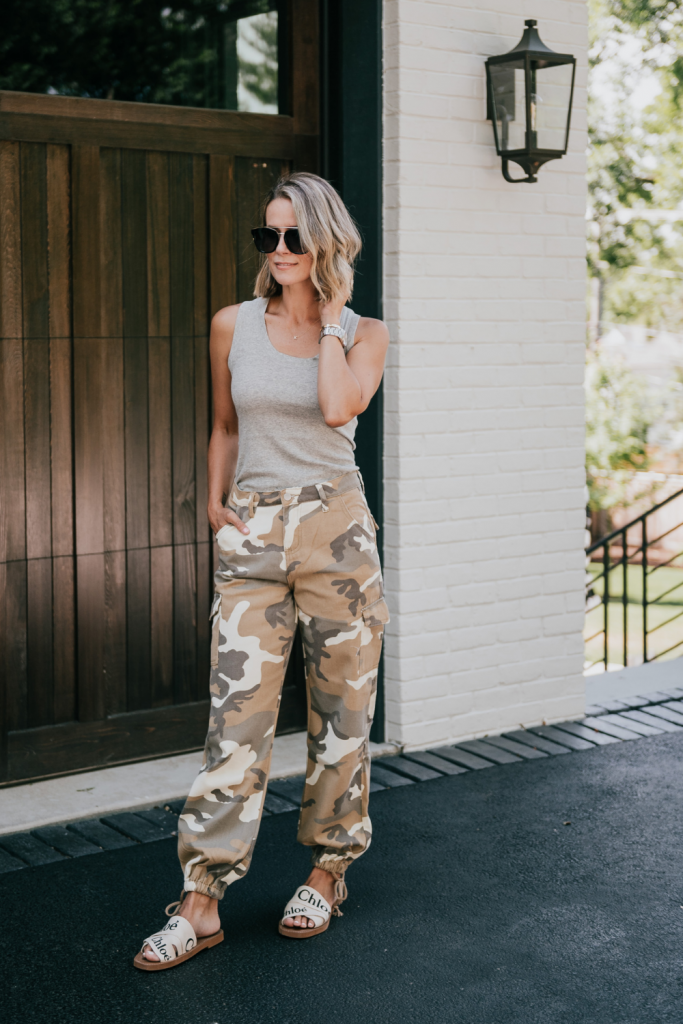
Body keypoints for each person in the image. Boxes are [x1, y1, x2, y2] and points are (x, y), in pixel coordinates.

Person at [134, 171, 390, 969]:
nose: (277, 252)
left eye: (293, 237)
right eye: (267, 237)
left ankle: (326, 870)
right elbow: (222, 424)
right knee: (234, 722)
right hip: (253, 535)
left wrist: (327, 323)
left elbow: (339, 407)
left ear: (324, 243)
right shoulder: (230, 325)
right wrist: (214, 504)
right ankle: (201, 898)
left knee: (343, 714)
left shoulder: (365, 332)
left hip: (337, 535)